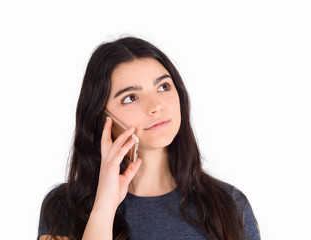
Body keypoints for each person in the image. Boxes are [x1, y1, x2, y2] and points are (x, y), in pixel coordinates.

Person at [38, 36, 260, 240]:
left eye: (163, 87)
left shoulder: (228, 203)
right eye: (131, 97)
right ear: (102, 117)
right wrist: (104, 205)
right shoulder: (62, 207)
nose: (156, 106)